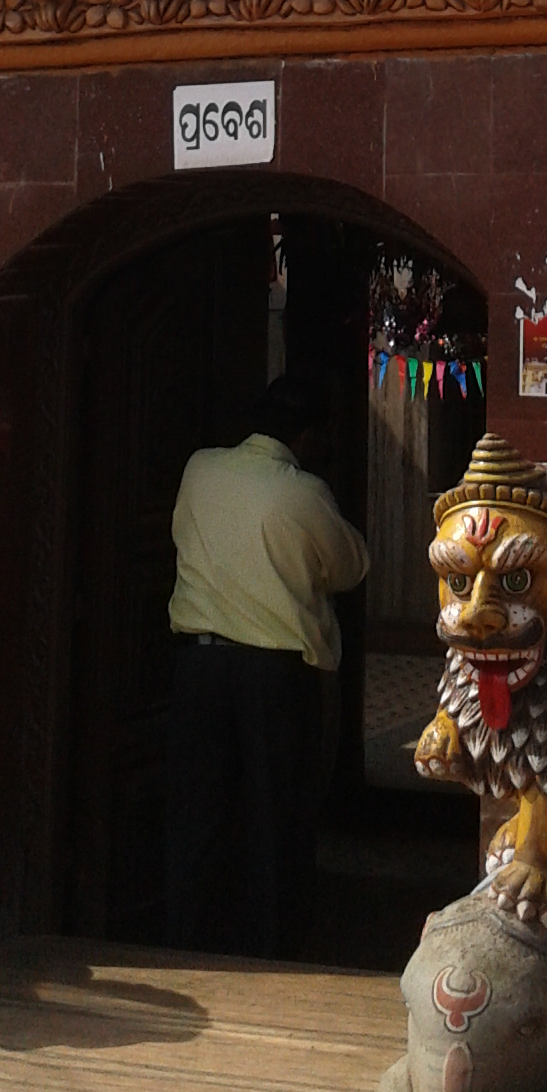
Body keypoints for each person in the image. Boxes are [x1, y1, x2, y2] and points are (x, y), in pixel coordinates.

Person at [160, 374, 369, 957]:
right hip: (275, 676)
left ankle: (186, 943)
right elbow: (350, 566)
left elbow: (181, 534)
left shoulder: (200, 469)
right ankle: (272, 950)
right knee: (276, 817)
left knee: (197, 815)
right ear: (307, 436)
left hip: (198, 669)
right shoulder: (302, 492)